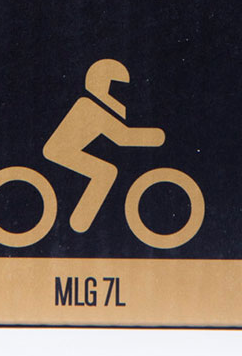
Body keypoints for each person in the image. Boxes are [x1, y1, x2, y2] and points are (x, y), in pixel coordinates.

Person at [42, 59, 164, 233]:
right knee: (106, 172)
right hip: (60, 152)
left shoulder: (94, 106)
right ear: (102, 86)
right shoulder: (91, 107)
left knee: (105, 170)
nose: (121, 96)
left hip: (66, 151)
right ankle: (80, 222)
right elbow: (122, 137)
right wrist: (157, 137)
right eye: (117, 88)